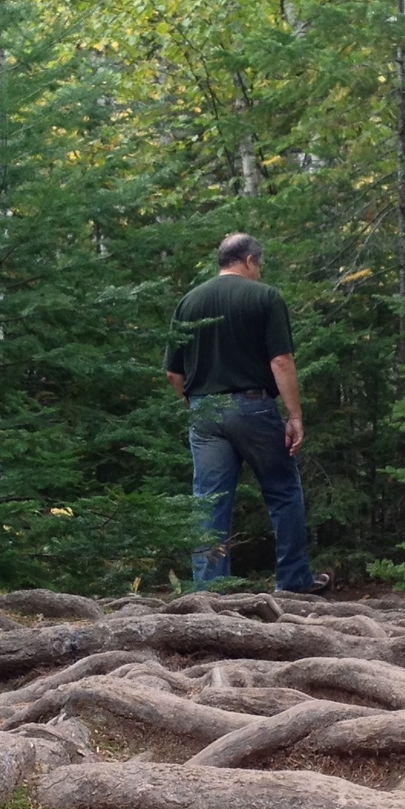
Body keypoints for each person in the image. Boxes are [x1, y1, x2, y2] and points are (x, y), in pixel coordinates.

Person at [164, 233, 330, 593]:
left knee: (208, 503)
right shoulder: (265, 297)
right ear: (250, 260)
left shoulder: (189, 302)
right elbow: (281, 360)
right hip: (253, 406)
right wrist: (295, 416)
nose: (260, 271)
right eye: (260, 265)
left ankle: (208, 593)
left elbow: (173, 374)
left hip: (205, 411)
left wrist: (195, 406)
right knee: (283, 491)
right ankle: (293, 581)